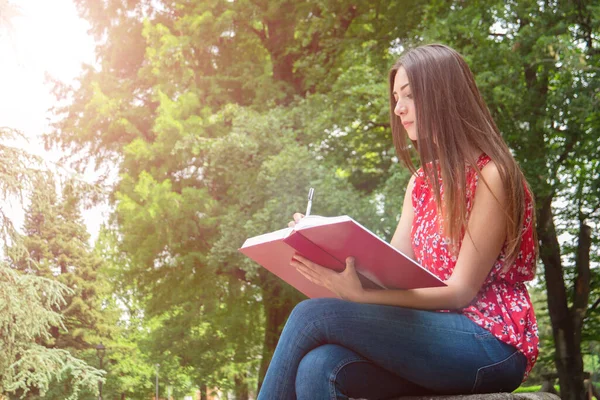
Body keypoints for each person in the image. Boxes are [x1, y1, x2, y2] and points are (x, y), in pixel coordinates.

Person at [257, 44, 539, 400]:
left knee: (311, 316)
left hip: (490, 343)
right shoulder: (421, 184)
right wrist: (323, 247)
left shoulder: (494, 176)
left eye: (409, 95)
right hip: (428, 338)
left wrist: (359, 298)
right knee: (320, 365)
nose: (398, 108)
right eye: (395, 97)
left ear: (443, 95)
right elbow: (389, 274)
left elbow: (460, 292)